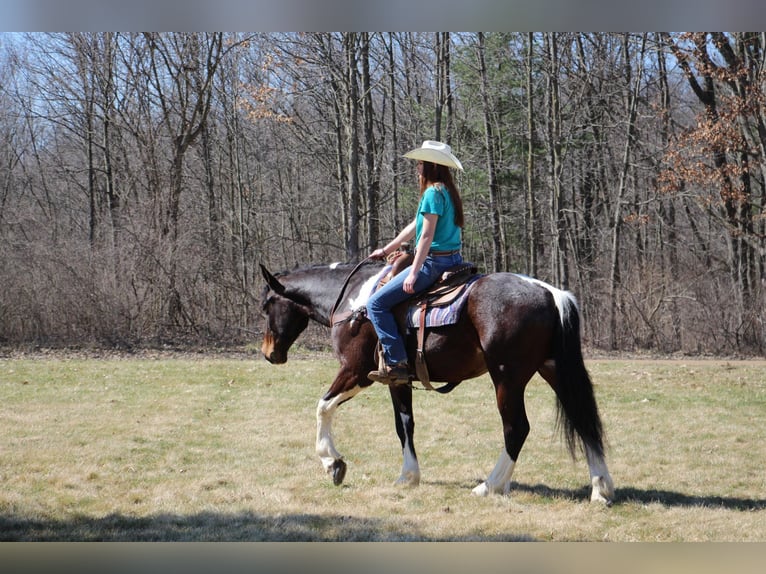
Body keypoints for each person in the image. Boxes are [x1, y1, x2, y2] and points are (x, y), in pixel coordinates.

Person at [366, 140, 465, 384]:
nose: (417, 168)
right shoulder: (447, 191)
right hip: (454, 259)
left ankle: (397, 361)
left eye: (420, 163)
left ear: (431, 166)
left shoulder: (432, 193)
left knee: (376, 304)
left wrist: (414, 272)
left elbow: (426, 237)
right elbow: (415, 227)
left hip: (434, 263)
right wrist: (387, 248)